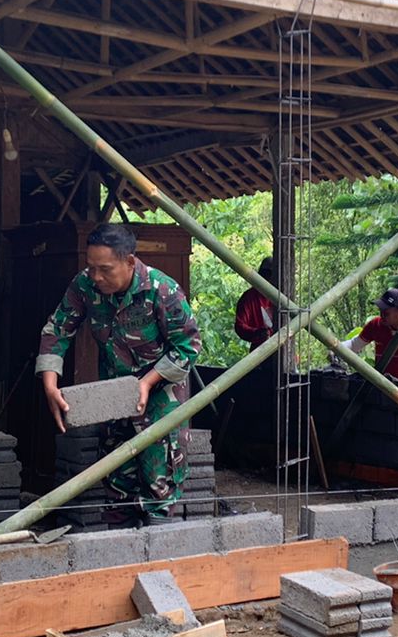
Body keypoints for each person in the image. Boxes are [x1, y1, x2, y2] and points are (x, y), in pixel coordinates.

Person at [37, 223, 202, 525]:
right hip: (116, 399)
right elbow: (57, 329)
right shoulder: (85, 285)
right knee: (117, 486)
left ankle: (158, 548)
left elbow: (189, 346)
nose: (96, 276)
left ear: (129, 262)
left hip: (161, 400)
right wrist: (50, 385)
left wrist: (147, 382)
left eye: (105, 269)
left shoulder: (161, 290)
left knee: (159, 489)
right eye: (91, 267)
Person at [234, 256, 279, 348]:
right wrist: (257, 333)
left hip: (283, 348)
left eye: (270, 274)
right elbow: (240, 326)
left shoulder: (282, 296)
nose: (268, 277)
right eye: (265, 273)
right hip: (260, 350)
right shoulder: (249, 297)